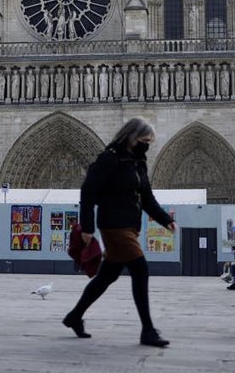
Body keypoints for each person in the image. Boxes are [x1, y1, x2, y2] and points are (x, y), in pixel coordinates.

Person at [62, 118, 176, 347]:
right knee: (140, 269)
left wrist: (166, 219)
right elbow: (88, 191)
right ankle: (147, 330)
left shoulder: (138, 163)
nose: (147, 145)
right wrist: (87, 226)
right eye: (144, 140)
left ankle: (75, 316)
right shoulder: (110, 158)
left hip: (130, 227)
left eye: (149, 142)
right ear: (132, 137)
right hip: (113, 225)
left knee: (107, 276)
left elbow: (147, 198)